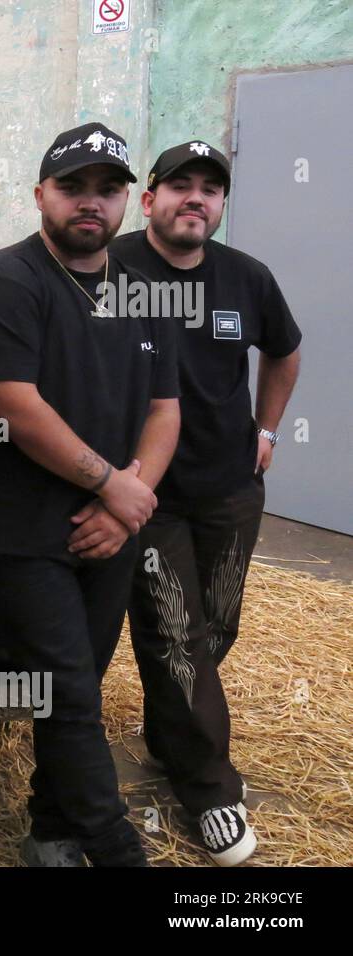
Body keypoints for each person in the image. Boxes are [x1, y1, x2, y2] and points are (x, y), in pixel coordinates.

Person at [0, 122, 181, 867]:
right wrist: (115, 486)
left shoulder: (143, 293)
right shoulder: (6, 283)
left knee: (73, 688)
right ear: (41, 193)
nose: (91, 203)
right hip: (19, 534)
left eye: (108, 190)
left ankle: (51, 830)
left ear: (125, 203)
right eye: (73, 186)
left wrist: (129, 497)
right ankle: (114, 846)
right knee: (70, 692)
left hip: (111, 528)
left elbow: (164, 410)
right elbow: (16, 405)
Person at [112, 141, 302, 866]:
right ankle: (208, 786)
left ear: (221, 205)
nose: (196, 199)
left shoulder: (246, 278)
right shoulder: (115, 270)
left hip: (229, 492)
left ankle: (172, 734)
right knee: (175, 635)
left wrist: (267, 428)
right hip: (147, 495)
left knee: (215, 627)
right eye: (180, 186)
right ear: (151, 196)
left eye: (210, 191)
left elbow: (284, 349)